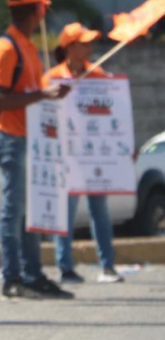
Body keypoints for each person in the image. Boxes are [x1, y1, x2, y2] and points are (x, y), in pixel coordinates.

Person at [0, 0, 74, 300]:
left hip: (29, 140)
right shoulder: (6, 48)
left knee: (29, 210)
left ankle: (32, 274)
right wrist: (43, 94)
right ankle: (13, 277)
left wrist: (52, 91)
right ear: (36, 11)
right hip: (11, 138)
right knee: (15, 210)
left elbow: (34, 91)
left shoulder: (25, 46)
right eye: (42, 8)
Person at [44, 23, 124, 285]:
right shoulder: (52, 77)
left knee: (99, 210)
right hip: (66, 158)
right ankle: (65, 267)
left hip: (94, 158)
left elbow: (114, 109)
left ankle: (108, 266)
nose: (89, 48)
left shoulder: (98, 75)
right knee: (65, 212)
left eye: (90, 43)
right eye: (83, 43)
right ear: (69, 47)